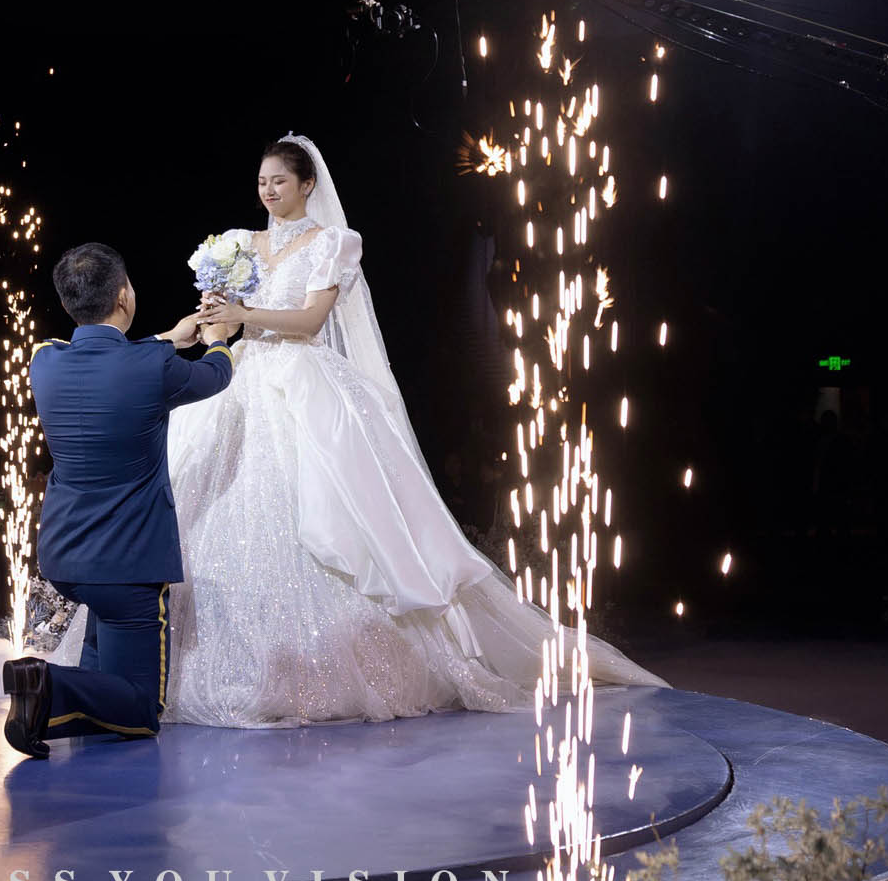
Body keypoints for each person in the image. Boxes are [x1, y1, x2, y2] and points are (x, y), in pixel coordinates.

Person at [91, 135, 664, 728]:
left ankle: (333, 663)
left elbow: (311, 320)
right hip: (245, 376)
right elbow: (230, 321)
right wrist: (216, 317)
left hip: (302, 380)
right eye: (262, 181)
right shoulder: (239, 243)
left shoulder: (332, 243)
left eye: (279, 181)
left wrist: (245, 315)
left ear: (307, 184)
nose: (268, 191)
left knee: (330, 509)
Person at [2, 242, 233, 758]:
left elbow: (118, 362)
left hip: (65, 558)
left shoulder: (44, 360)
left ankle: (41, 707)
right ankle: (45, 683)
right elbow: (216, 375)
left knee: (104, 659)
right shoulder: (153, 366)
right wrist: (217, 339)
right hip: (128, 565)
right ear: (125, 295)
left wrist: (168, 337)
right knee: (142, 709)